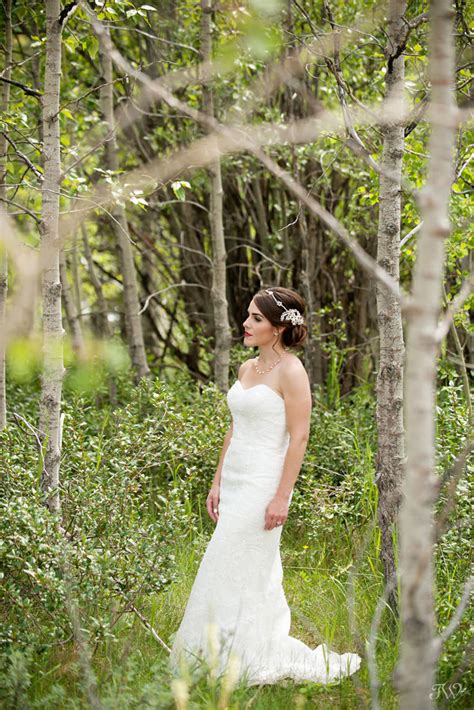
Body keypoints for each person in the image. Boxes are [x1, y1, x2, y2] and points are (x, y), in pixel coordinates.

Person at [169, 286, 362, 686]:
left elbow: (300, 436)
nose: (246, 324)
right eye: (248, 316)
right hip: (236, 481)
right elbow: (235, 428)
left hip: (262, 486)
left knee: (239, 565)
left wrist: (281, 496)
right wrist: (216, 481)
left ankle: (245, 654)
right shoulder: (245, 369)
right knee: (227, 567)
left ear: (276, 329)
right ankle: (213, 651)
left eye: (256, 318)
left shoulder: (291, 371)